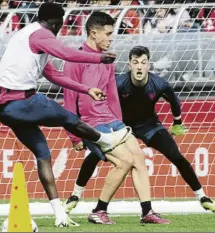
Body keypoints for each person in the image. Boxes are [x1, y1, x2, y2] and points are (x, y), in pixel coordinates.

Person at [0, 2, 132, 228]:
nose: (59, 30)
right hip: (22, 100)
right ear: (56, 22)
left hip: (5, 109)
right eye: (60, 25)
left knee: (43, 153)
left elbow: (54, 75)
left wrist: (85, 89)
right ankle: (106, 141)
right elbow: (67, 53)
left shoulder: (26, 37)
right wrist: (99, 58)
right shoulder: (41, 34)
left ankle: (60, 214)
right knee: (69, 118)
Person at [63, 46, 215, 217]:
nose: (139, 66)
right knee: (93, 156)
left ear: (149, 65)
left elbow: (174, 102)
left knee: (176, 156)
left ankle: (202, 196)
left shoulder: (160, 84)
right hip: (121, 127)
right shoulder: (118, 83)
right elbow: (98, 102)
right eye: (135, 62)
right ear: (129, 65)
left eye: (143, 62)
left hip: (150, 127)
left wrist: (177, 123)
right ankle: (75, 195)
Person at [62, 12, 170, 225]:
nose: (112, 38)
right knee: (124, 162)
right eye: (108, 34)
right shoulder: (75, 60)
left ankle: (147, 212)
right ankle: (98, 211)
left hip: (113, 121)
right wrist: (74, 137)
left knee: (138, 158)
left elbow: (112, 96)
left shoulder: (107, 60)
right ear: (94, 33)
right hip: (91, 125)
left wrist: (121, 124)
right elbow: (69, 101)